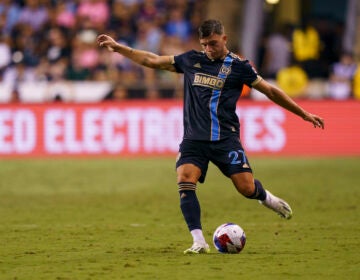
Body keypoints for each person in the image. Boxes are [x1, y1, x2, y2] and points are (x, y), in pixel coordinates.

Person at [97, 19, 325, 254]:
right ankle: (199, 241)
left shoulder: (240, 67)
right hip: (194, 139)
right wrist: (119, 47)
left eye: (213, 44)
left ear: (224, 39)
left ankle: (266, 197)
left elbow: (270, 91)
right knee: (185, 179)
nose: (209, 49)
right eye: (205, 44)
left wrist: (304, 113)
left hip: (225, 139)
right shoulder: (190, 59)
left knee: (246, 188)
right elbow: (151, 60)